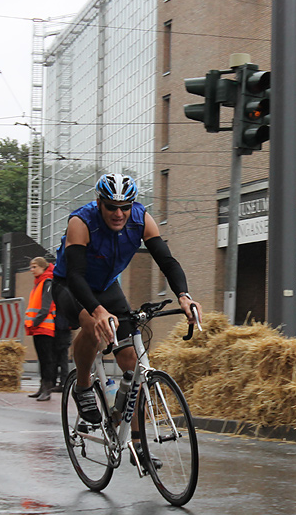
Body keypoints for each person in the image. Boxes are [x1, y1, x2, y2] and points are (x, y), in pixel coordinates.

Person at [52, 173, 202, 466]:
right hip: (70, 286)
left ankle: (138, 445)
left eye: (125, 206)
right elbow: (76, 275)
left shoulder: (141, 219)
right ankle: (83, 386)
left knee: (133, 363)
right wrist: (96, 311)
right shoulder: (80, 223)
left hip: (108, 287)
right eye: (111, 207)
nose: (119, 213)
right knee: (94, 329)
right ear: (99, 203)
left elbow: (167, 261)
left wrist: (184, 295)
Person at [25, 257, 57, 401]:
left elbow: (46, 307)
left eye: (34, 267)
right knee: (42, 359)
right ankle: (42, 387)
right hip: (39, 327)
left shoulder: (47, 282)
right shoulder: (39, 282)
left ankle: (47, 389)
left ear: (43, 267)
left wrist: (34, 322)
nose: (31, 270)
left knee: (47, 359)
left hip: (44, 326)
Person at [51, 312, 72, 393]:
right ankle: (61, 383)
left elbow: (61, 323)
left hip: (60, 334)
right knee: (61, 360)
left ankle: (61, 383)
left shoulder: (60, 307)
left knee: (59, 360)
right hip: (64, 334)